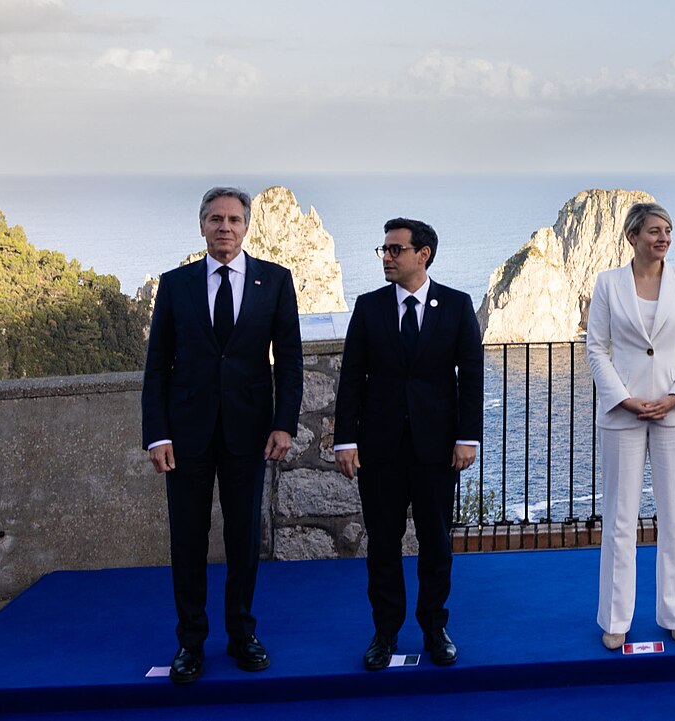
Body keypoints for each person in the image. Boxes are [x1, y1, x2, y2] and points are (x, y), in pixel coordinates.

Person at [141, 187, 303, 685]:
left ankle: (242, 634)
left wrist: (284, 423)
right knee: (188, 540)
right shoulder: (176, 285)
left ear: (247, 227)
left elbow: (289, 361)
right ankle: (190, 642)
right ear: (202, 226)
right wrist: (157, 435)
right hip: (186, 435)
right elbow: (157, 366)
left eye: (233, 219)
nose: (225, 227)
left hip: (249, 433)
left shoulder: (275, 281)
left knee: (243, 538)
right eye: (216, 219)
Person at [334, 218, 483, 670]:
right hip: (380, 449)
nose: (387, 257)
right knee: (383, 544)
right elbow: (351, 378)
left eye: (395, 249)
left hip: (436, 449)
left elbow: (471, 377)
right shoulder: (369, 307)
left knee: (436, 542)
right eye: (383, 249)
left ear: (423, 255)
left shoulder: (456, 305)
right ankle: (384, 633)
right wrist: (345, 440)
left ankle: (435, 628)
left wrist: (467, 438)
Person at [586, 202, 675, 650]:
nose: (664, 238)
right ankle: (615, 618)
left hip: (674, 412)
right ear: (633, 236)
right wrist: (623, 398)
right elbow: (596, 347)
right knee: (620, 519)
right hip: (623, 413)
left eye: (668, 231)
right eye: (655, 230)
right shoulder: (608, 284)